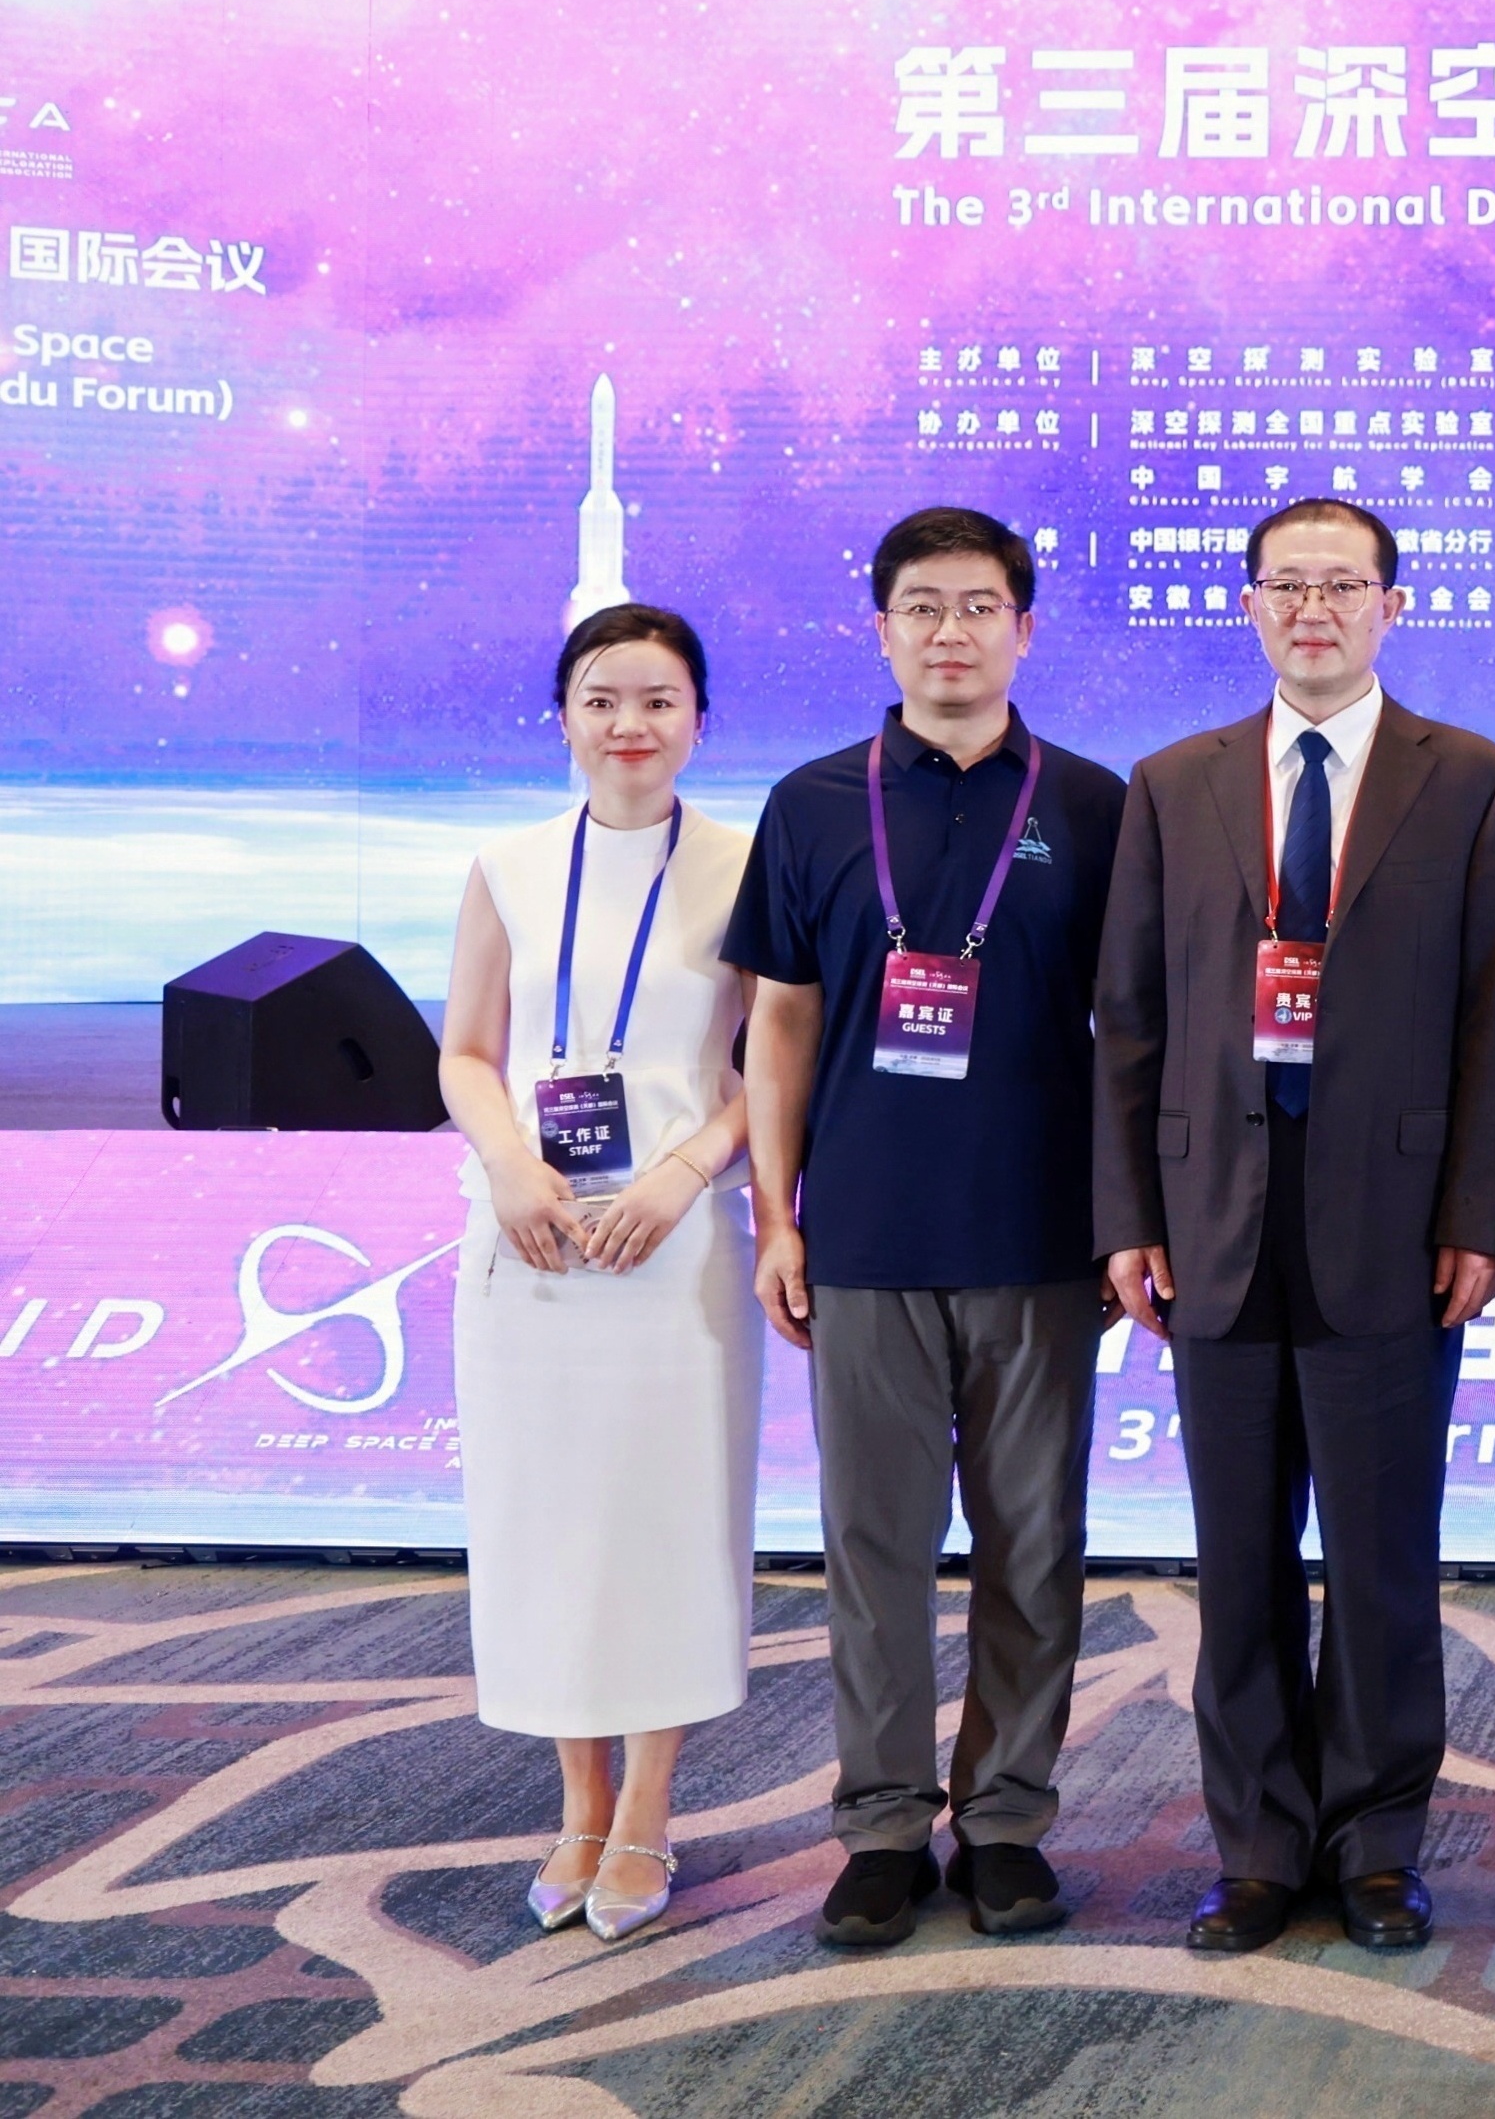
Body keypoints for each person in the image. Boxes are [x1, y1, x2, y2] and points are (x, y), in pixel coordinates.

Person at [1093, 496, 1495, 1955]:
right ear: (1250, 605)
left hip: (1396, 1227)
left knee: (1383, 1560)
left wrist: (1479, 1215)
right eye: (1287, 586)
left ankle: (1379, 1844)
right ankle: (1259, 1848)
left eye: (1343, 586)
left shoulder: (1476, 782)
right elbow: (1130, 1020)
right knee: (1238, 1567)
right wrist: (1128, 1214)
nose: (1314, 611)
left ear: (1391, 607)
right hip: (1211, 1220)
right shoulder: (1174, 783)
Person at [726, 505, 1128, 1950]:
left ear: (1025, 629)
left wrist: (1123, 1222)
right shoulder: (811, 804)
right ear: (880, 630)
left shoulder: (1095, 806)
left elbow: (1132, 1035)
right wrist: (777, 1218)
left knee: (1035, 1546)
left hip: (1040, 1238)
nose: (950, 632)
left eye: (978, 607)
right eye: (922, 608)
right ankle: (884, 1828)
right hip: (866, 1238)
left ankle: (1008, 1818)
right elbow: (779, 1026)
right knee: (874, 1552)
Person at [437, 603, 756, 1946]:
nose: (631, 725)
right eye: (602, 700)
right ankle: (578, 1804)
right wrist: (512, 1163)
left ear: (698, 720)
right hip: (531, 1242)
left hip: (675, 1246)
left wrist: (684, 1176)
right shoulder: (508, 866)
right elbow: (467, 1050)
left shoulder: (749, 864)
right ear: (563, 718)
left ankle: (650, 1809)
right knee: (549, 1525)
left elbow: (768, 1070)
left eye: (659, 700)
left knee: (664, 1522)